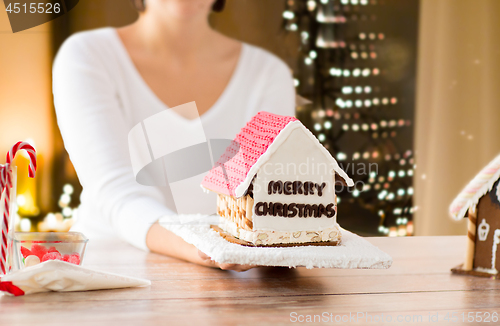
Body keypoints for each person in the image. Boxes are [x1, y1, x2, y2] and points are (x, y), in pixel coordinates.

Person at [52, 0, 295, 271]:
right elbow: (116, 190)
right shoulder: (88, 55)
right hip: (109, 274)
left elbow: (268, 193)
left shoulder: (267, 74)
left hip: (230, 283)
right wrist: (207, 247)